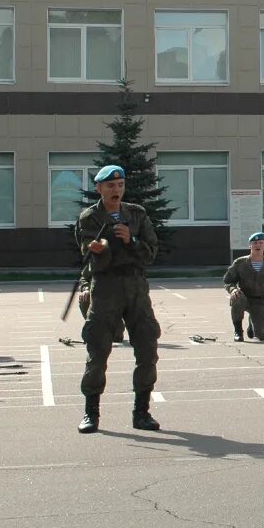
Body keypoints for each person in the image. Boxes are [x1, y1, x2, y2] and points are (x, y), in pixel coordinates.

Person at [75, 164, 161, 434]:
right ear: (99, 188)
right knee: (98, 349)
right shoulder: (90, 218)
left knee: (147, 347)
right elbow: (87, 255)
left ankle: (142, 412)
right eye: (110, 186)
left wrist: (131, 241)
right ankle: (91, 413)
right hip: (106, 288)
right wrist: (101, 249)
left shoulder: (136, 215)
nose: (116, 190)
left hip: (136, 288)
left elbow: (151, 253)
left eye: (120, 185)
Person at [223, 232, 264, 342]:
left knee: (263, 335)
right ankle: (238, 331)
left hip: (258, 301)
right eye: (255, 243)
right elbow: (228, 281)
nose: (258, 246)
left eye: (261, 243)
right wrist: (233, 289)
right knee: (237, 297)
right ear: (250, 246)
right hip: (243, 298)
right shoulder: (240, 263)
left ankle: (252, 324)